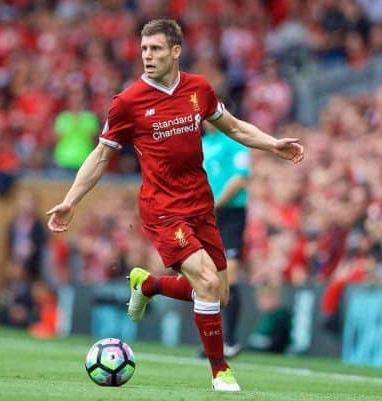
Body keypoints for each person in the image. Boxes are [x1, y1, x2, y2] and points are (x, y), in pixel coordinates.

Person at [47, 19, 304, 392]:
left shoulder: (198, 90)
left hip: (201, 204)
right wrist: (70, 200)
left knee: (218, 292)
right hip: (162, 208)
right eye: (144, 49)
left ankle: (147, 284)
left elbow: (233, 127)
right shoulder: (128, 102)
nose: (147, 56)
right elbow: (102, 156)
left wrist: (273, 143)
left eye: (155, 49)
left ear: (175, 51)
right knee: (207, 281)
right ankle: (220, 370)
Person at [200, 120, 251, 358]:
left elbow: (240, 178)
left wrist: (216, 203)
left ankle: (229, 340)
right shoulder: (202, 143)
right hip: (206, 215)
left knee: (227, 276)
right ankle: (212, 341)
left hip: (230, 215)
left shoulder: (235, 141)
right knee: (207, 277)